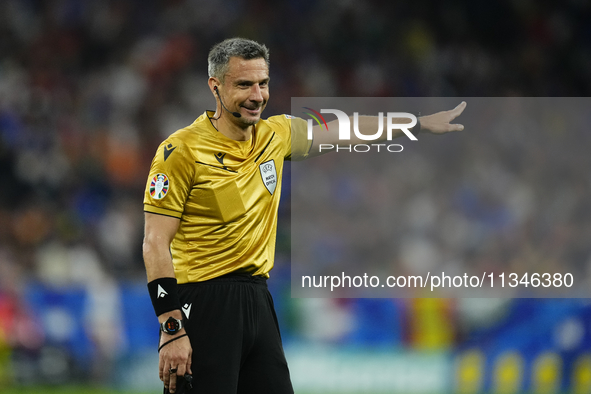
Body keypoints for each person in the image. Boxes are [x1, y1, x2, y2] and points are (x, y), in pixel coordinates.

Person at [142, 37, 466, 394]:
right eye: (244, 85)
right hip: (204, 303)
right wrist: (172, 328)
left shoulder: (276, 135)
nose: (257, 95)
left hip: (257, 300)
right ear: (215, 87)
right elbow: (155, 241)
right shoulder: (181, 150)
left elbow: (345, 131)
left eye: (263, 84)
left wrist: (416, 124)